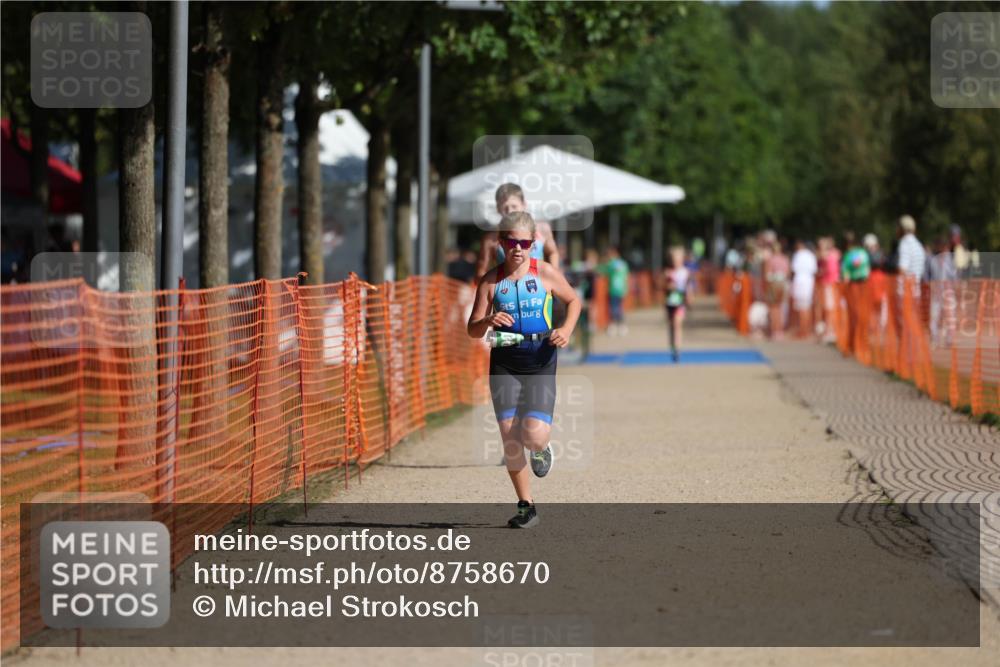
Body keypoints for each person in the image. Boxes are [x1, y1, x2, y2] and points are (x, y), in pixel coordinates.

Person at [466, 211, 581, 529]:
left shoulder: (544, 273)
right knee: (508, 436)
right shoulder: (491, 282)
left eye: (525, 243)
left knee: (532, 435)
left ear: (534, 244)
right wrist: (487, 321)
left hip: (541, 358)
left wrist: (566, 330)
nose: (518, 248)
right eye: (512, 242)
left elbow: (574, 301)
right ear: (501, 243)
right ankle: (526, 506)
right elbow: (472, 330)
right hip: (505, 362)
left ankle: (542, 449)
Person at [474, 183, 560, 281]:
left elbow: (553, 252)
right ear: (498, 208)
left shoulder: (541, 229)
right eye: (505, 208)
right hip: (507, 291)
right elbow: (481, 272)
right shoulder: (491, 239)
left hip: (540, 291)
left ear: (524, 205)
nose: (510, 211)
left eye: (514, 206)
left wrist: (554, 275)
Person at [840, 231, 871, 356]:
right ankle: (863, 346)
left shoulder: (848, 255)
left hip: (853, 287)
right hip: (865, 285)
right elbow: (867, 269)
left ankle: (853, 345)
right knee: (863, 317)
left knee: (853, 316)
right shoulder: (863, 253)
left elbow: (845, 274)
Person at [662, 246, 690, 362]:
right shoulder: (667, 272)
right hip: (669, 302)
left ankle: (678, 350)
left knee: (677, 324)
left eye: (678, 258)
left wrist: (689, 297)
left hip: (680, 302)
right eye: (674, 258)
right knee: (671, 326)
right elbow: (663, 288)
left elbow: (688, 287)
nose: (676, 261)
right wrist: (668, 286)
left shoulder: (685, 272)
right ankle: (672, 347)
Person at [598, 247, 630, 336]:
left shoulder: (611, 264)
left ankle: (614, 326)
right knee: (619, 308)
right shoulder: (624, 264)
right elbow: (626, 276)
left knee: (614, 308)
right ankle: (621, 326)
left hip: (614, 289)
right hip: (622, 289)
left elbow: (601, 270)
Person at [790, 239, 817, 339]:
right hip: (809, 282)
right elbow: (814, 270)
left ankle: (802, 330)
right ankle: (806, 329)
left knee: (801, 308)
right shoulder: (811, 255)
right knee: (807, 307)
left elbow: (793, 269)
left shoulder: (798, 255)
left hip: (800, 281)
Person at [763, 239, 790, 340]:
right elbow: (787, 273)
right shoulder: (785, 259)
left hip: (774, 284)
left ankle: (774, 331)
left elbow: (767, 275)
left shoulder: (770, 260)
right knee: (780, 308)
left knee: (774, 308)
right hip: (783, 284)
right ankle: (780, 331)